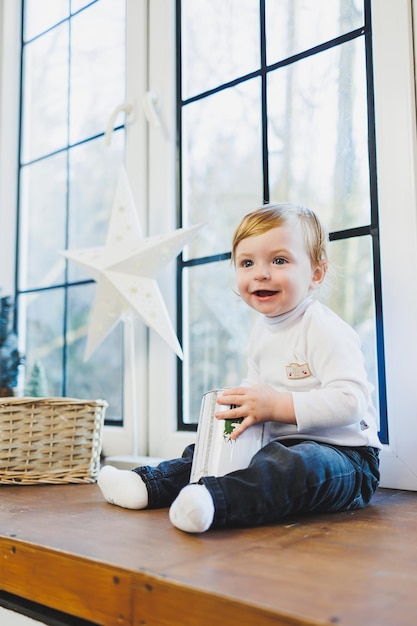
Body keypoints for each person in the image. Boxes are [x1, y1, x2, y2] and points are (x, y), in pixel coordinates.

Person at [98, 203, 381, 533]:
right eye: (247, 263)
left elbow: (351, 400)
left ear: (316, 273)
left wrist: (276, 405)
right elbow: (254, 391)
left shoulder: (322, 327)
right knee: (205, 452)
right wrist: (234, 425)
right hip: (276, 449)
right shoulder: (262, 330)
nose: (261, 273)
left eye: (279, 260)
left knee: (299, 465)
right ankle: (148, 486)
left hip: (346, 459)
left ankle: (213, 503)